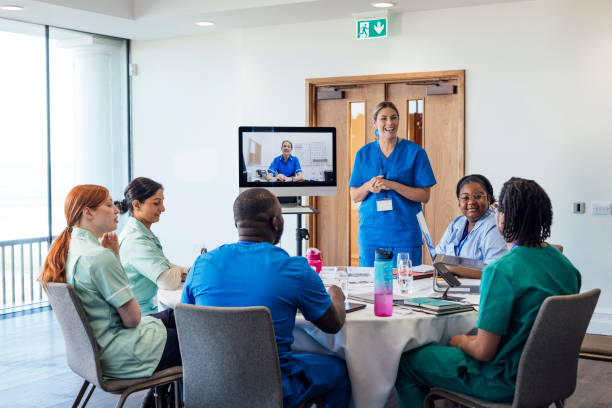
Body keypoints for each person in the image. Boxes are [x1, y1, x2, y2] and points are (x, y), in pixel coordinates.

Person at [394, 177, 582, 408]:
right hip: (551, 375)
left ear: (505, 216)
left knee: (406, 361)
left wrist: (459, 340)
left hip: (503, 379)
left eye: (497, 209)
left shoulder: (500, 271)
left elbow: (483, 351)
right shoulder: (567, 267)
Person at [181, 188, 350, 408]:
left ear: (236, 224)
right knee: (339, 370)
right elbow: (333, 324)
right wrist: (336, 292)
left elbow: (187, 321)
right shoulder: (294, 269)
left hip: (207, 384)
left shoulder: (202, 264)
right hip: (274, 385)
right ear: (276, 222)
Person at [38, 185, 181, 407]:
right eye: (108, 205)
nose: (116, 210)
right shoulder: (97, 257)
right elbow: (132, 319)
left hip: (96, 352)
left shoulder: (69, 250)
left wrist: (113, 255)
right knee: (199, 341)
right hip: (121, 355)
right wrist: (112, 258)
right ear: (88, 212)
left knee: (177, 318)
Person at [349, 101, 436, 267]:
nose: (389, 123)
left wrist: (393, 185)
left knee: (406, 287)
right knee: (371, 288)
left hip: (404, 234)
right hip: (371, 234)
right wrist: (368, 186)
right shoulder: (363, 154)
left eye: (394, 118)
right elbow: (354, 195)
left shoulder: (415, 152)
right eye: (384, 118)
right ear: (375, 123)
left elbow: (424, 196)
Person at [116, 177, 189, 315]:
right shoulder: (136, 241)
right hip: (139, 317)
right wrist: (179, 271)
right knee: (190, 320)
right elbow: (168, 281)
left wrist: (183, 270)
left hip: (144, 310)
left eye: (162, 202)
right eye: (156, 203)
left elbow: (164, 266)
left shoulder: (140, 233)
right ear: (137, 205)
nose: (162, 209)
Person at [433, 174, 507, 278]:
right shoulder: (457, 223)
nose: (471, 202)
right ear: (459, 202)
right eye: (465, 197)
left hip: (480, 289)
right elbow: (437, 256)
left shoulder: (494, 226)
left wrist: (452, 268)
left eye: (478, 196)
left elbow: (494, 270)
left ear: (488, 199)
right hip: (454, 285)